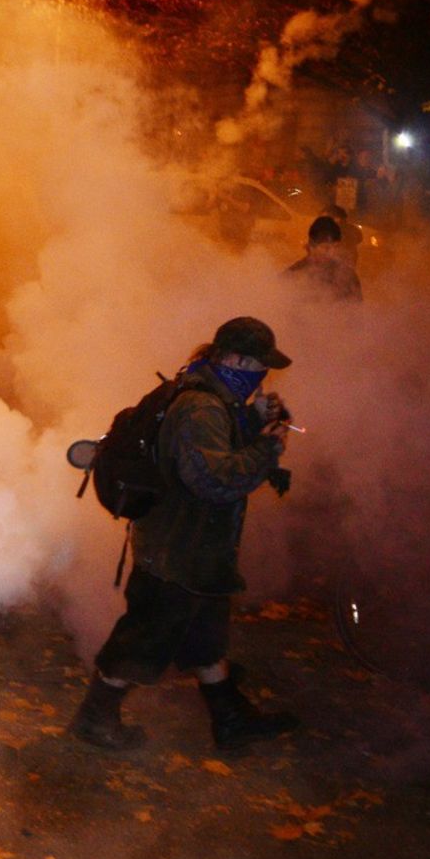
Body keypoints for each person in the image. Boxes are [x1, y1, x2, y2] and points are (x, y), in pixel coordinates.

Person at [70, 317, 301, 752]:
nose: (261, 375)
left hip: (196, 550)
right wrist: (266, 449)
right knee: (142, 642)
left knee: (207, 639)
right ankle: (94, 718)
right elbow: (212, 478)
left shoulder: (211, 395)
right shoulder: (200, 408)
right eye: (256, 365)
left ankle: (229, 720)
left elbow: (209, 450)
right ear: (232, 358)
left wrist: (251, 420)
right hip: (177, 552)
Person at [283, 215, 362, 301]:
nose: (332, 252)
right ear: (312, 247)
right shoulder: (295, 274)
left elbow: (356, 307)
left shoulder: (347, 276)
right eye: (326, 248)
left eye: (335, 247)